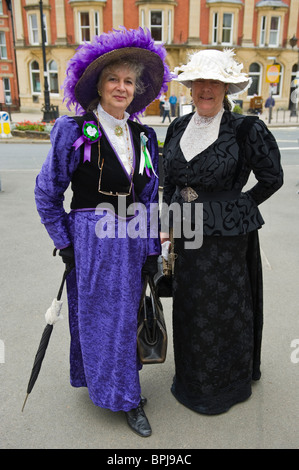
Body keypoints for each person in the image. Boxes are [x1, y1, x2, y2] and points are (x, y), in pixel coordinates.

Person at [34, 27, 172, 438]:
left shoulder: (144, 136)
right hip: (92, 239)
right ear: (98, 85)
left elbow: (149, 198)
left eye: (129, 81)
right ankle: (126, 398)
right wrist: (65, 243)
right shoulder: (72, 130)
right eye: (113, 79)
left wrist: (150, 249)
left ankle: (119, 386)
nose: (121, 87)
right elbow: (47, 192)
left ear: (136, 90)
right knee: (98, 319)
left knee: (126, 317)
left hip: (132, 240)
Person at [161, 49, 283, 415]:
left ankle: (224, 384)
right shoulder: (177, 127)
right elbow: (170, 182)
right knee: (188, 305)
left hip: (226, 238)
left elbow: (272, 178)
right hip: (185, 232)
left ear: (226, 87)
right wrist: (168, 222)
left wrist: (236, 206)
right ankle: (192, 379)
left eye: (214, 82)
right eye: (200, 81)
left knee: (223, 310)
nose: (206, 89)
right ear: (191, 87)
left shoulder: (246, 128)